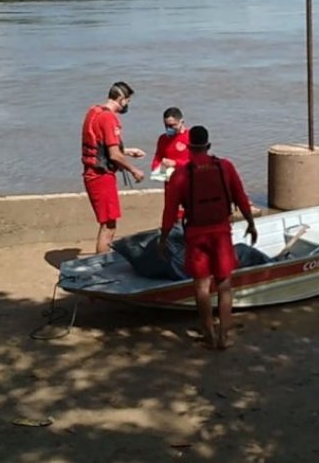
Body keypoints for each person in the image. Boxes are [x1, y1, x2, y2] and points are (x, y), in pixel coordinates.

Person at [159, 125, 257, 350]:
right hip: (221, 232)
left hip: (196, 234)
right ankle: (224, 335)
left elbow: (170, 211)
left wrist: (163, 238)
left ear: (189, 147)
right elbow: (241, 197)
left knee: (202, 286)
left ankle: (208, 333)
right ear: (208, 145)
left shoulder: (181, 174)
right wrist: (251, 223)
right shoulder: (225, 167)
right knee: (224, 284)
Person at [81, 81, 145, 254]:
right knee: (109, 225)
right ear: (122, 99)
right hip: (101, 176)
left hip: (92, 173)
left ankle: (101, 261)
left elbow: (103, 147)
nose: (127, 106)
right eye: (128, 101)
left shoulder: (94, 111)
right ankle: (102, 265)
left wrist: (129, 151)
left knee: (107, 223)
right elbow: (115, 155)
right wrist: (134, 170)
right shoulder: (109, 118)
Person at [150, 107, 190, 178]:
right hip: (170, 181)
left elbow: (196, 162)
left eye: (172, 125)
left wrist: (175, 164)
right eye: (166, 125)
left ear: (182, 122)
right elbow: (157, 158)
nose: (169, 128)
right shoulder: (163, 139)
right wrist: (156, 170)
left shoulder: (190, 136)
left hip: (187, 179)